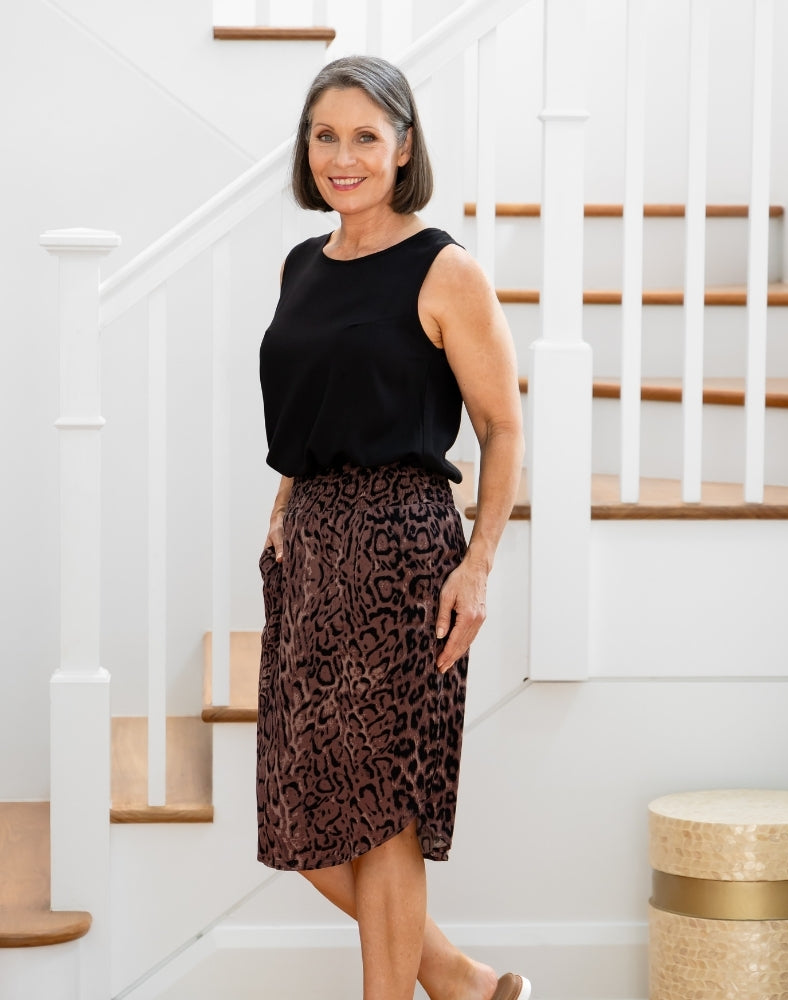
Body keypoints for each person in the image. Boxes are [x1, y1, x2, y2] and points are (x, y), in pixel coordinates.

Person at [257, 55, 528, 1000]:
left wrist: (480, 563)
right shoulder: (302, 265)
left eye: (365, 136)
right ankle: (456, 978)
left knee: (382, 814)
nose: (343, 156)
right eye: (324, 135)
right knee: (302, 812)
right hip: (312, 553)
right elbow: (311, 405)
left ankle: (421, 988)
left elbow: (501, 428)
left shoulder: (446, 269)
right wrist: (285, 509)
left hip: (403, 556)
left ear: (403, 146)